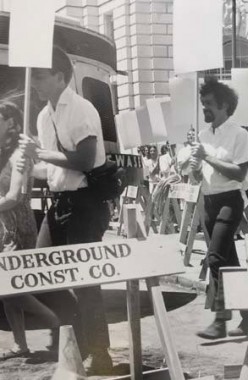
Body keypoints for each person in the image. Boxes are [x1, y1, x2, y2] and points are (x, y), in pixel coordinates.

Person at [19, 46, 113, 374]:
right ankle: (77, 336)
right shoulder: (45, 115)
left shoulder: (82, 109)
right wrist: (28, 165)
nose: (36, 83)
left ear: (60, 76)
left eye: (41, 76)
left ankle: (99, 351)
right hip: (59, 202)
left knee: (86, 281)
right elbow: (54, 172)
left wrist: (41, 154)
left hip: (85, 204)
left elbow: (85, 161)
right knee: (39, 273)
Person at [189, 77, 248, 339]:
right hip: (209, 201)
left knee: (214, 258)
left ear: (225, 106)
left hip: (229, 201)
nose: (205, 109)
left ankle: (220, 319)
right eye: (203, 104)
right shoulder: (203, 136)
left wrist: (207, 158)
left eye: (210, 104)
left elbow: (239, 173)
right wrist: (194, 170)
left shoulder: (240, 134)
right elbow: (198, 176)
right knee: (230, 261)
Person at [0, 102, 61, 360]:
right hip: (3, 226)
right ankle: (20, 344)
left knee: (8, 289)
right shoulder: (3, 153)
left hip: (17, 229)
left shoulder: (19, 156)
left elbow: (14, 196)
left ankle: (57, 322)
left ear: (11, 123)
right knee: (9, 294)